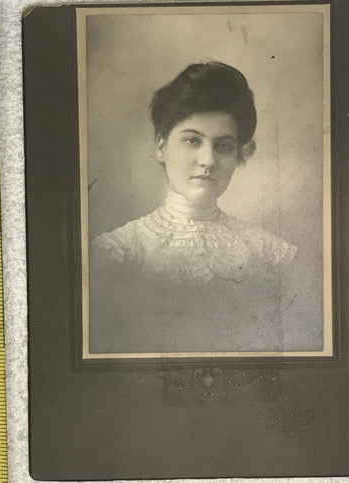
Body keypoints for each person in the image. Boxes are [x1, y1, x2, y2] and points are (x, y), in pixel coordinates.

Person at [89, 62, 303, 354]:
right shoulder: (120, 251)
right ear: (162, 147)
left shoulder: (271, 254)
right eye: (192, 140)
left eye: (224, 146)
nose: (208, 160)